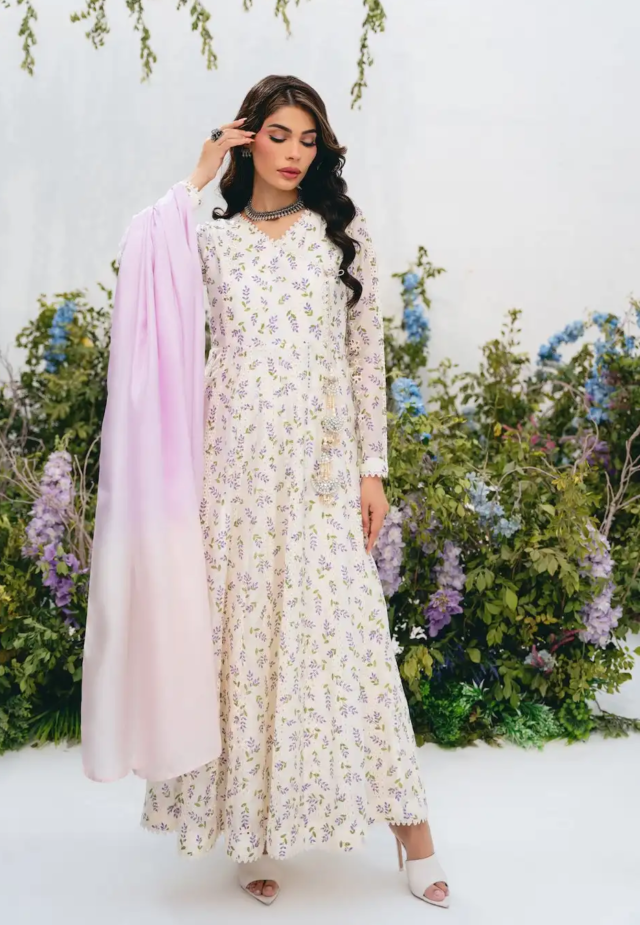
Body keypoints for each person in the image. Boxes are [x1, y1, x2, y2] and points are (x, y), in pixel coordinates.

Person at [128, 75, 450, 908]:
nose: (294, 153)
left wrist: (371, 467)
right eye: (277, 135)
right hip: (232, 478)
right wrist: (197, 175)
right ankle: (254, 834)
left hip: (317, 476)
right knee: (245, 650)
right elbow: (141, 267)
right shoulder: (209, 239)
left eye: (308, 139)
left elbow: (364, 354)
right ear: (247, 138)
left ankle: (413, 835)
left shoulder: (339, 233)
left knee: (352, 645)